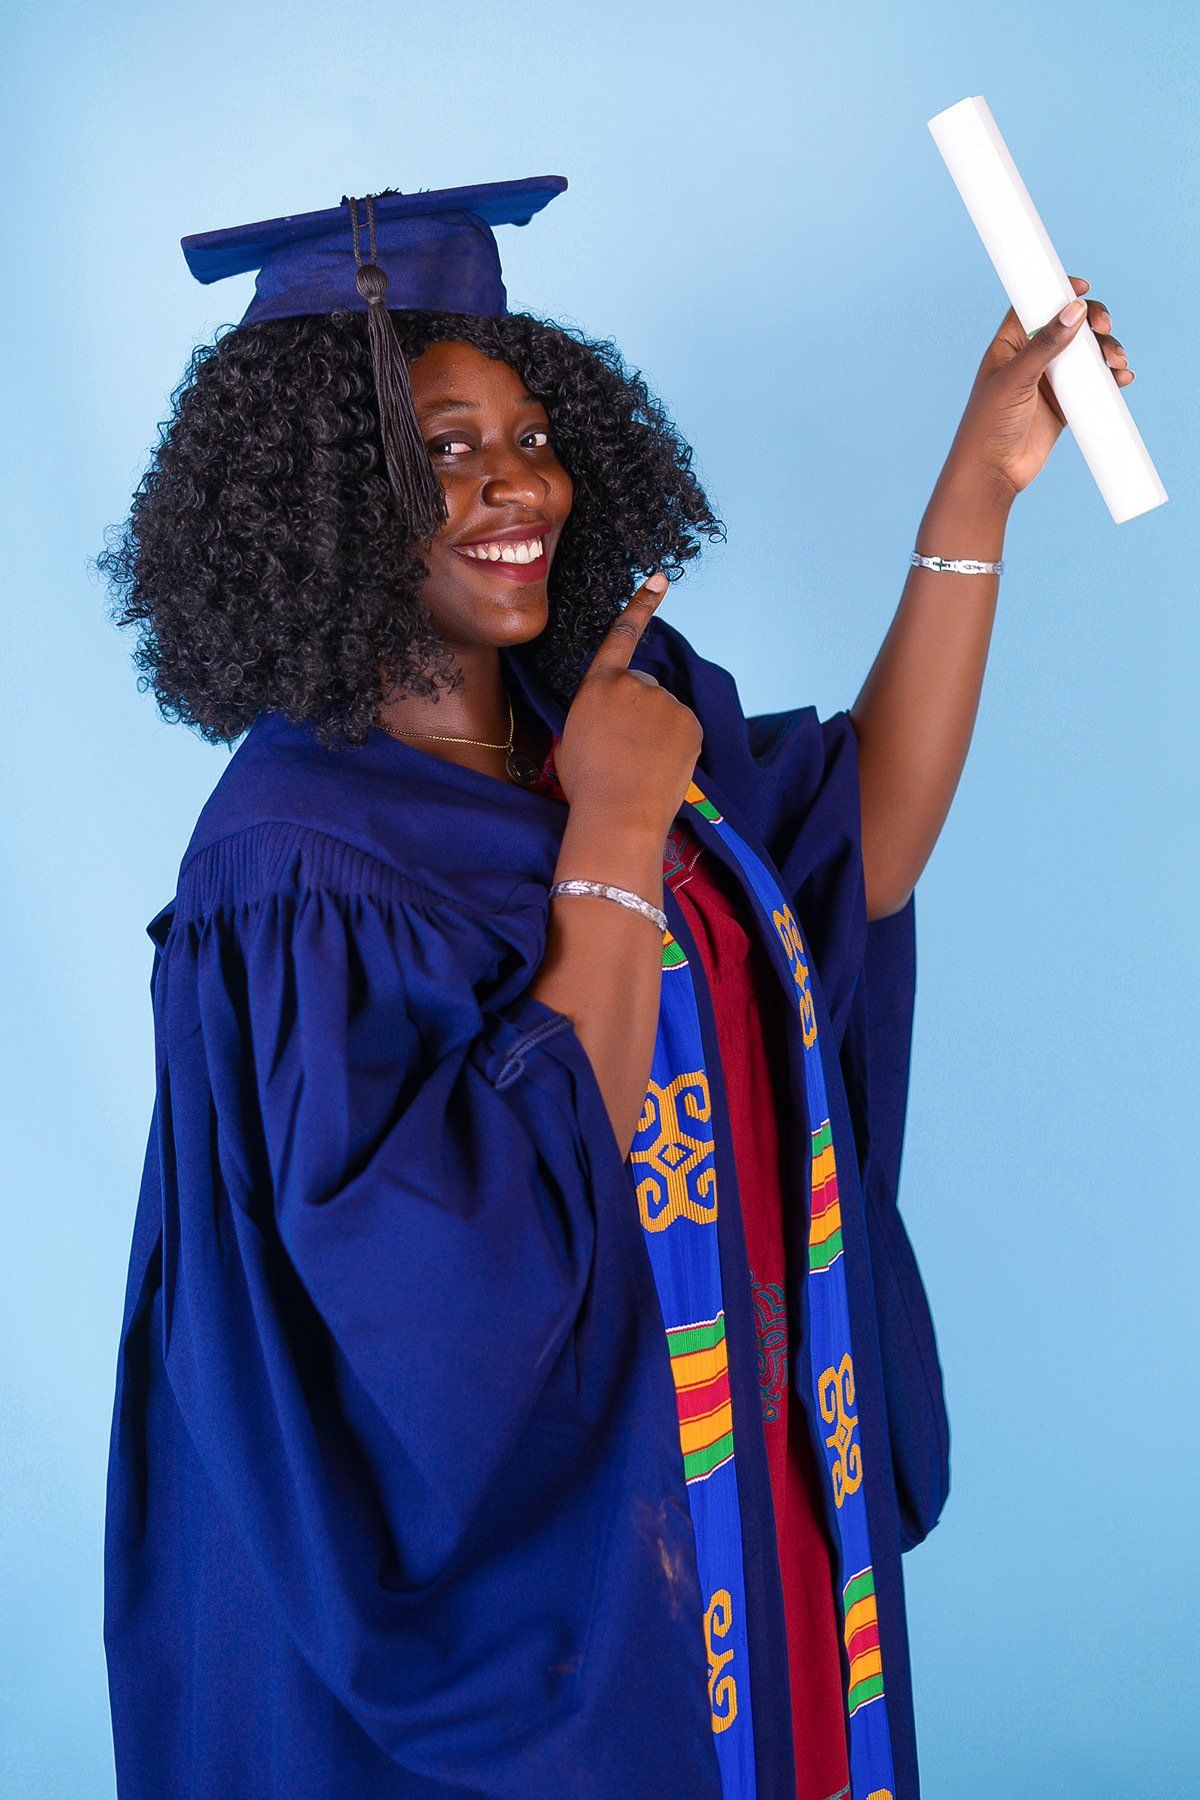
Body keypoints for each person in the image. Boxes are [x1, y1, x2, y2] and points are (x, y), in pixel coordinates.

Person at [98, 177, 1133, 1800]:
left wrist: (980, 487)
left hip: (732, 1490)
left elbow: (854, 856)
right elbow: (460, 1269)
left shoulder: (605, 705)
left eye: (527, 432)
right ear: (319, 498)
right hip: (553, 1591)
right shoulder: (296, 869)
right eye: (444, 447)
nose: (515, 483)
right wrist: (621, 831)